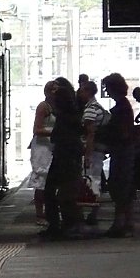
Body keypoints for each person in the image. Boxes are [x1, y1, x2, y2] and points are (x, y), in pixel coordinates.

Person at [40, 82, 85, 240]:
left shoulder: (65, 118)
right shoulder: (72, 115)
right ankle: (65, 225)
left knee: (59, 193)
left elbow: (59, 136)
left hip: (65, 159)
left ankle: (64, 226)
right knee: (61, 193)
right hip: (67, 158)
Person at [101, 72, 140, 238]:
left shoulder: (120, 109)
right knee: (125, 187)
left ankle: (120, 223)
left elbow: (121, 132)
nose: (107, 92)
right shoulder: (124, 106)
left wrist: (104, 134)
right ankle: (127, 223)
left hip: (122, 152)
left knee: (119, 186)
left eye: (108, 88)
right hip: (126, 150)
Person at [77, 80, 109, 224]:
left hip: (93, 149)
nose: (79, 92)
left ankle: (92, 212)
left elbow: (90, 133)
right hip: (98, 148)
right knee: (94, 179)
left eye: (82, 90)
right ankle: (93, 212)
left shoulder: (90, 109)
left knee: (92, 180)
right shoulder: (97, 107)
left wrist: (87, 153)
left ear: (88, 92)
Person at [26, 81, 56, 222]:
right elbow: (37, 129)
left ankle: (49, 210)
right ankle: (39, 213)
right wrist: (55, 132)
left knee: (50, 179)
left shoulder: (56, 107)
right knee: (41, 180)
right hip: (42, 147)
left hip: (52, 146)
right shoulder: (43, 107)